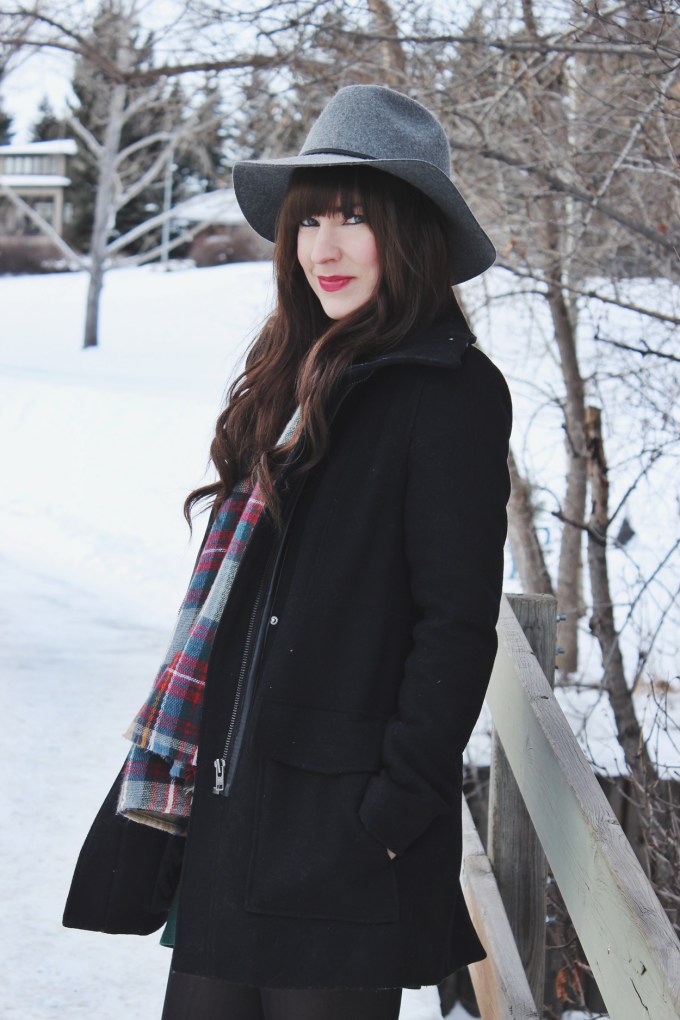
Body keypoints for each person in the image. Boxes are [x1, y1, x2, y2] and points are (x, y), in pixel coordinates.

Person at [64, 84, 511, 1020]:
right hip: (236, 811)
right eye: (310, 220)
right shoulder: (294, 384)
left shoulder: (451, 391)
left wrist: (392, 811)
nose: (324, 248)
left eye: (355, 218)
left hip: (343, 835)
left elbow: (457, 625)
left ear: (410, 233)